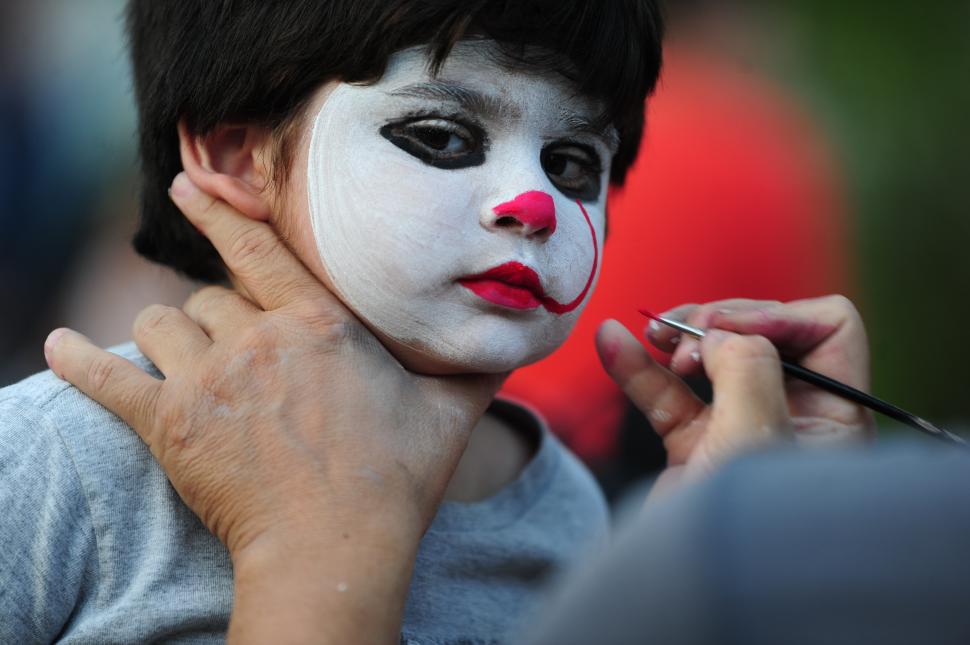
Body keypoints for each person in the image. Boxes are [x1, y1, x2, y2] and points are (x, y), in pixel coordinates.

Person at [1, 2, 666, 642]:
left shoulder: (569, 514)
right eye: (442, 135)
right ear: (236, 154)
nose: (535, 205)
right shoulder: (58, 462)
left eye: (571, 163)